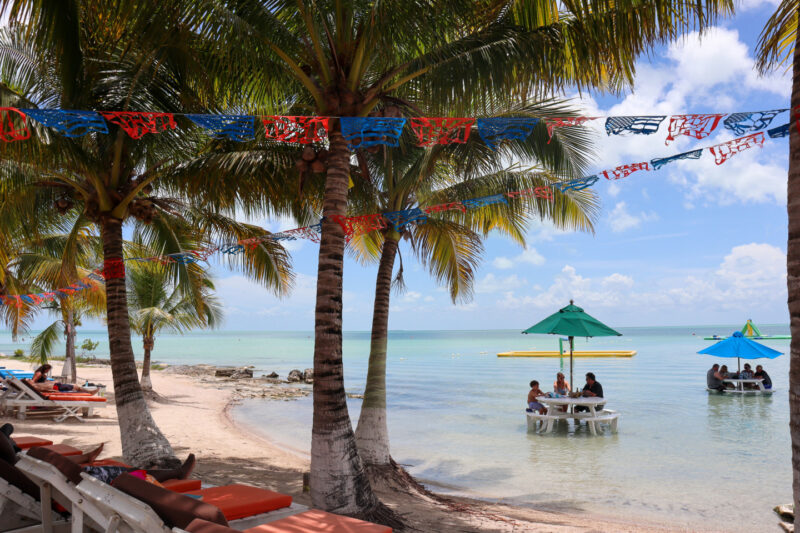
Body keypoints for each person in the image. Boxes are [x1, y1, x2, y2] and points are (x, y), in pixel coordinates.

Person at [31, 364, 97, 394]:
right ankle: (89, 392)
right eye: (48, 370)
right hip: (52, 388)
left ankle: (87, 392)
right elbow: (33, 382)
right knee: (75, 386)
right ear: (45, 369)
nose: (48, 371)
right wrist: (48, 387)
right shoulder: (39, 373)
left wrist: (52, 381)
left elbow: (43, 382)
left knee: (74, 386)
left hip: (53, 386)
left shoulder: (42, 374)